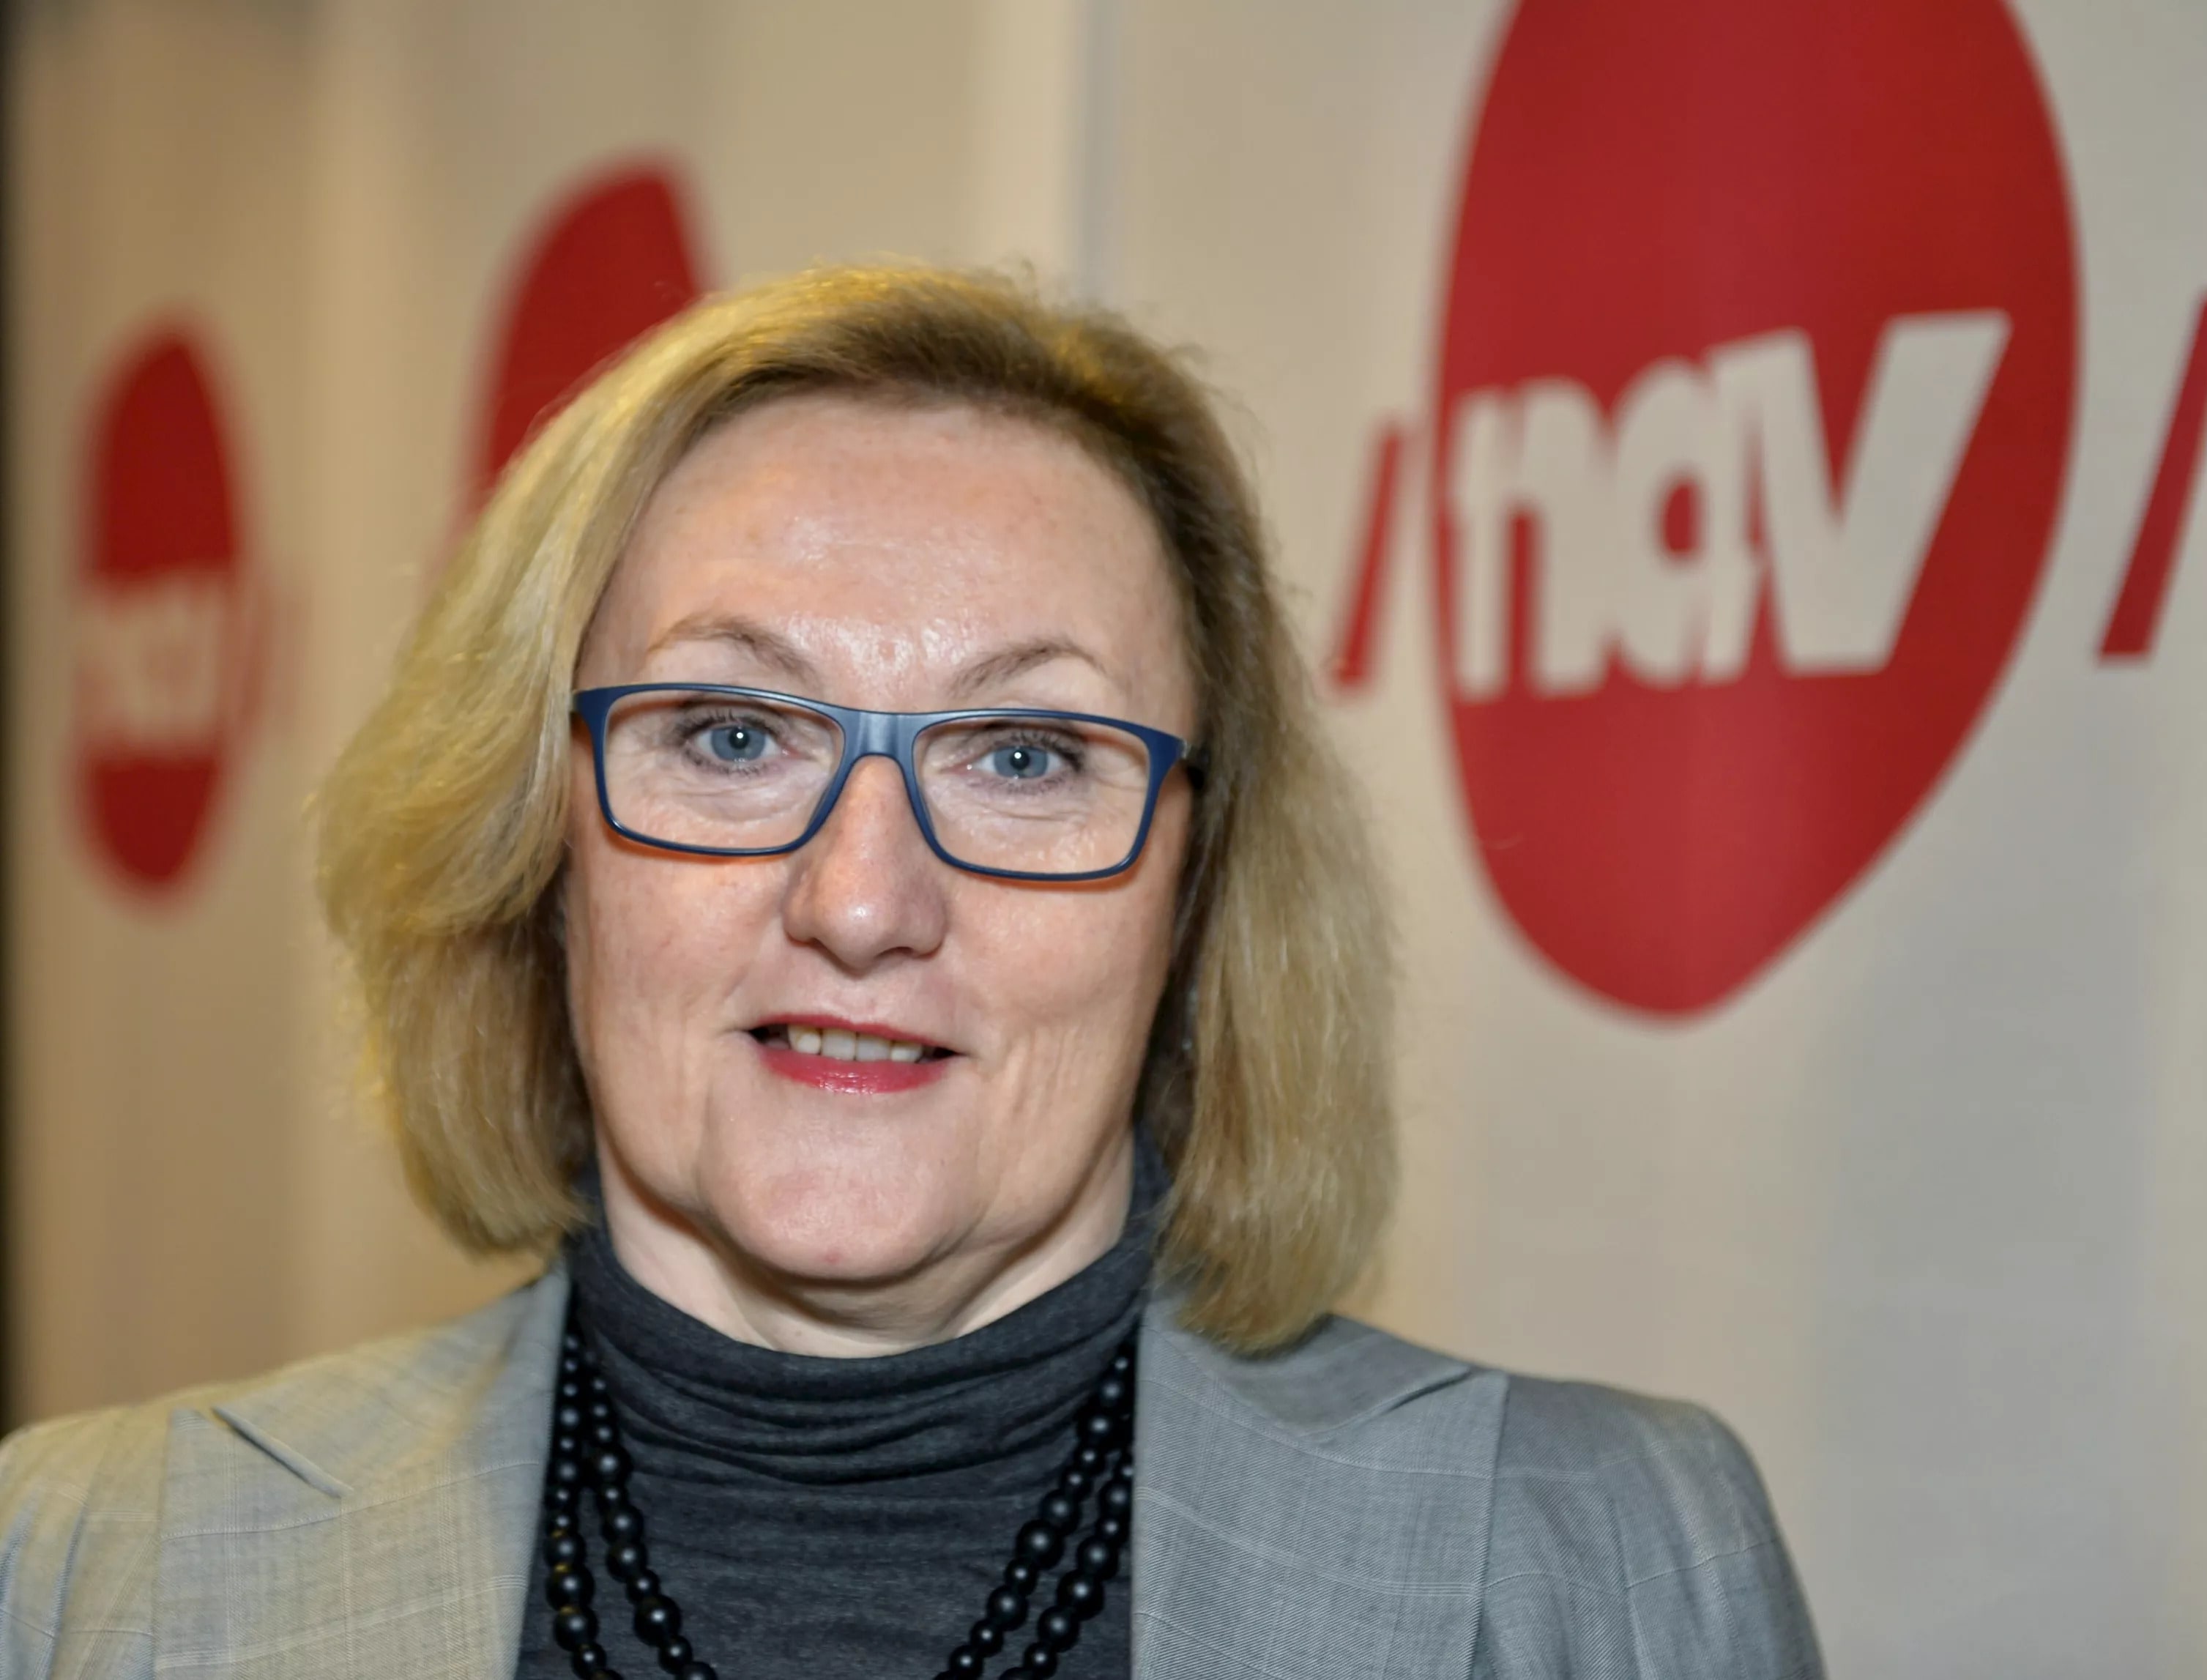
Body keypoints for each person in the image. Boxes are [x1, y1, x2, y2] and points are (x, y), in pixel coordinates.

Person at [0, 265, 1822, 1679]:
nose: (863, 901)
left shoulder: (1596, 1559)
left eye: (1026, 755)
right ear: (536, 847)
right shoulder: (84, 1567)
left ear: (1197, 895)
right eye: (732, 735)